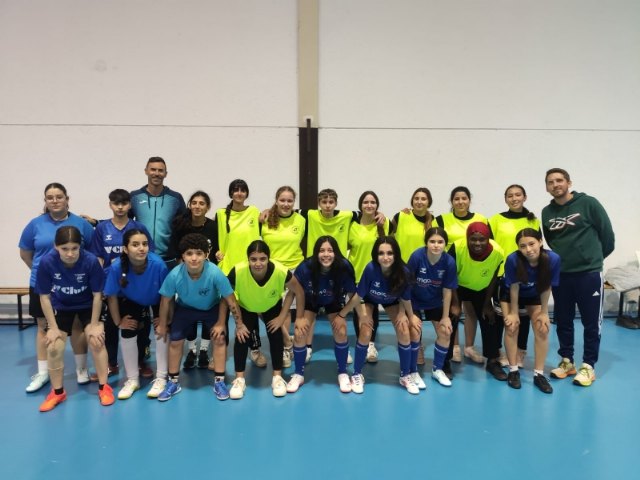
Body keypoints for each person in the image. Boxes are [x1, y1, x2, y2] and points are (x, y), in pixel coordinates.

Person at [19, 182, 95, 393]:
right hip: (42, 285)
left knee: (78, 324)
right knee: (44, 327)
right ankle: (43, 372)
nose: (54, 201)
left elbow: (91, 249)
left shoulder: (80, 223)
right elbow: (25, 253)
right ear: (45, 201)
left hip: (75, 284)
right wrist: (44, 272)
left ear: (67, 199)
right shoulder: (35, 224)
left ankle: (81, 369)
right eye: (50, 197)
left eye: (59, 196)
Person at [542, 168, 614, 387]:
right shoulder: (547, 212)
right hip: (562, 275)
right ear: (547, 187)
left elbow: (608, 236)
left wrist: (592, 260)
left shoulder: (589, 203)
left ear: (569, 182)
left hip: (589, 274)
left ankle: (588, 366)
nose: (555, 184)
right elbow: (551, 241)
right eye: (550, 182)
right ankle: (567, 361)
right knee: (562, 320)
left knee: (591, 322)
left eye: (559, 180)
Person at [155, 233, 244, 402]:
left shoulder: (215, 273)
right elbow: (165, 301)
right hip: (185, 309)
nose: (194, 258)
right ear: (183, 256)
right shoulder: (174, 275)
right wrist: (163, 323)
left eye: (198, 253)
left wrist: (234, 325)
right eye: (189, 254)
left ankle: (219, 381)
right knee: (175, 341)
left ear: (206, 255)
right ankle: (173, 382)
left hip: (211, 308)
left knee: (219, 339)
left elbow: (230, 300)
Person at [35, 226, 113, 411]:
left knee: (96, 340)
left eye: (74, 248)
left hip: (88, 306)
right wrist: (52, 328)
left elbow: (97, 296)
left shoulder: (91, 261)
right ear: (56, 246)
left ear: (81, 246)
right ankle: (58, 392)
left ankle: (104, 388)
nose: (70, 253)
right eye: (64, 249)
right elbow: (44, 297)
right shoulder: (47, 262)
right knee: (53, 346)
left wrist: (94, 325)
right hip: (62, 306)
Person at [221, 240, 305, 399]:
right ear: (248, 259)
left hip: (271, 306)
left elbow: (298, 292)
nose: (258, 263)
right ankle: (239, 379)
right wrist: (238, 323)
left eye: (262, 259)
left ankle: (277, 377)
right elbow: (227, 296)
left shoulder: (281, 271)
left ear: (268, 258)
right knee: (241, 337)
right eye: (253, 259)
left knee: (276, 336)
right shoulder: (237, 271)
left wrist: (282, 317)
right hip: (246, 306)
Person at [89, 188, 155, 379]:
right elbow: (98, 258)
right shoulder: (102, 229)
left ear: (129, 205)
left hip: (135, 285)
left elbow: (149, 253)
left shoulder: (138, 227)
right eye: (116, 203)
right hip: (112, 284)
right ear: (110, 205)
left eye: (124, 203)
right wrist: (100, 284)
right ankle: (111, 363)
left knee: (139, 325)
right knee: (110, 325)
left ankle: (140, 362)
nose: (120, 207)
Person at [345, 236, 419, 395]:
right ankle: (357, 374)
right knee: (365, 330)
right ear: (375, 255)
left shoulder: (403, 271)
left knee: (404, 330)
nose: (385, 257)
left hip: (392, 300)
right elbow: (358, 296)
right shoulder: (371, 268)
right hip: (370, 299)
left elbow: (405, 298)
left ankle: (405, 375)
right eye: (381, 253)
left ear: (396, 254)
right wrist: (343, 314)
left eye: (390, 253)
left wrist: (407, 315)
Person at [286, 236, 357, 394]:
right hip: (310, 299)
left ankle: (343, 372)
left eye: (330, 250)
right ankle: (298, 374)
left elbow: (354, 295)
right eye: (322, 250)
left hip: (334, 300)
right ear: (316, 253)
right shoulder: (306, 267)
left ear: (336, 252)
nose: (326, 254)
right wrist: (298, 318)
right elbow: (293, 291)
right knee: (299, 333)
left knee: (342, 330)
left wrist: (343, 315)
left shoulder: (344, 267)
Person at [104, 229, 169, 400]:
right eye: (135, 244)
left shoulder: (158, 265)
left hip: (157, 299)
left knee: (162, 330)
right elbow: (110, 297)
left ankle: (162, 377)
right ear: (125, 249)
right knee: (128, 331)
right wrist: (118, 322)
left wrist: (163, 320)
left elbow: (166, 296)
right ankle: (132, 379)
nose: (141, 248)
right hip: (131, 300)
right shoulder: (117, 267)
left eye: (145, 244)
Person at [501, 228, 560, 393]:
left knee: (542, 328)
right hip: (512, 295)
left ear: (540, 242)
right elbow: (513, 287)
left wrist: (544, 312)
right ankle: (513, 371)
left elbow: (547, 286)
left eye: (532, 244)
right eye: (523, 246)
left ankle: (539, 374)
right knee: (512, 327)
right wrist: (513, 312)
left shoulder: (553, 259)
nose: (528, 249)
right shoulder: (513, 260)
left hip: (535, 295)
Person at [215, 179, 266, 368]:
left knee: (249, 312)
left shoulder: (254, 211)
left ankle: (255, 350)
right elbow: (215, 237)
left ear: (246, 193)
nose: (239, 193)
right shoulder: (221, 214)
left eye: (242, 190)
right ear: (230, 193)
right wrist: (216, 252)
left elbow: (269, 218)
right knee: (224, 312)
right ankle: (218, 352)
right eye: (235, 190)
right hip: (228, 269)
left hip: (249, 269)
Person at [489, 184, 540, 368]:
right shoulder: (495, 220)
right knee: (506, 316)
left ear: (524, 197)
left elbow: (537, 249)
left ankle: (520, 352)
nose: (514, 198)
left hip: (527, 276)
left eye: (518, 195)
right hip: (503, 274)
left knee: (523, 316)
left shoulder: (533, 220)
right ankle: (503, 351)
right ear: (505, 199)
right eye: (510, 195)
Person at [435, 186, 488, 364]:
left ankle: (469, 348)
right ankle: (455, 347)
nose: (460, 202)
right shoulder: (442, 219)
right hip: (451, 274)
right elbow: (435, 242)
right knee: (453, 311)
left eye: (464, 198)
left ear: (469, 200)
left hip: (475, 274)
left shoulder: (480, 219)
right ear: (451, 201)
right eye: (456, 199)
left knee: (471, 311)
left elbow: (488, 243)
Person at [449, 222, 506, 381]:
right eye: (473, 239)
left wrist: (488, 303)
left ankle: (493, 361)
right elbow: (449, 274)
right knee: (449, 318)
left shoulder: (497, 252)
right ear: (467, 238)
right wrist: (454, 303)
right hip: (457, 285)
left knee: (490, 318)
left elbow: (494, 278)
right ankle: (444, 362)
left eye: (482, 239)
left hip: (482, 288)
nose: (477, 243)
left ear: (488, 239)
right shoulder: (457, 247)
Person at [170, 190, 218, 370]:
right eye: (194, 203)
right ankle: (191, 351)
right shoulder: (180, 224)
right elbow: (176, 251)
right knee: (188, 312)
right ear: (190, 205)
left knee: (206, 311)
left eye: (202, 203)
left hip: (207, 276)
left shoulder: (213, 227)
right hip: (186, 275)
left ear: (208, 207)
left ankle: (204, 350)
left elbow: (218, 249)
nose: (197, 206)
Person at [407, 227, 458, 386]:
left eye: (440, 242)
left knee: (445, 331)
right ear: (426, 243)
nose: (436, 245)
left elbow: (448, 290)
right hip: (414, 300)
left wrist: (445, 317)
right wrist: (410, 315)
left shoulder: (449, 262)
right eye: (432, 241)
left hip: (435, 302)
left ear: (445, 244)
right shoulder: (417, 257)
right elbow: (406, 286)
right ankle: (413, 371)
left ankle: (437, 369)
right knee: (414, 332)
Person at [261, 186, 306, 367]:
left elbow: (329, 212)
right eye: (282, 200)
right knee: (263, 308)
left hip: (295, 269)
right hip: (271, 269)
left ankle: (284, 350)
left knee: (286, 311)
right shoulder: (264, 219)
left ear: (294, 202)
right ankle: (287, 340)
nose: (286, 204)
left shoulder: (301, 219)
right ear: (276, 200)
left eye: (290, 201)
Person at [391, 187, 434, 365]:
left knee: (419, 312)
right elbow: (386, 232)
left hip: (424, 272)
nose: (419, 201)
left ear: (429, 202)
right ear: (411, 201)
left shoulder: (435, 221)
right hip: (402, 271)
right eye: (416, 198)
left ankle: (418, 345)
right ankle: (414, 346)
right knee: (408, 312)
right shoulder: (401, 216)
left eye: (423, 199)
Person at [348, 191, 389, 364]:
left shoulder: (383, 224)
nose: (369, 205)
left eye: (373, 202)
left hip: (377, 276)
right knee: (360, 313)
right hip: (357, 275)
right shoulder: (352, 226)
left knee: (373, 311)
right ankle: (361, 343)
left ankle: (370, 344)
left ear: (377, 206)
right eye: (366, 202)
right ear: (360, 205)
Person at [130, 156, 187, 266]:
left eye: (160, 170)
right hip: (141, 258)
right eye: (153, 169)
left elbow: (184, 227)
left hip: (169, 260)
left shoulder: (175, 198)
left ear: (166, 174)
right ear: (146, 171)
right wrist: (97, 222)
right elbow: (123, 221)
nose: (156, 173)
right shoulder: (135, 197)